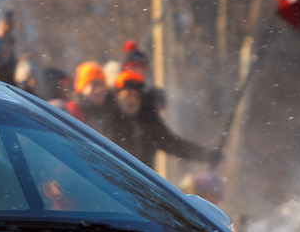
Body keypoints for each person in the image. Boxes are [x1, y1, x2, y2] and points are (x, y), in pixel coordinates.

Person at [86, 68, 217, 166]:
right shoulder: (105, 117)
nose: (131, 101)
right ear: (117, 96)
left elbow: (173, 144)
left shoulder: (148, 121)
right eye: (127, 95)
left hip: (140, 184)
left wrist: (206, 155)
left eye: (136, 96)